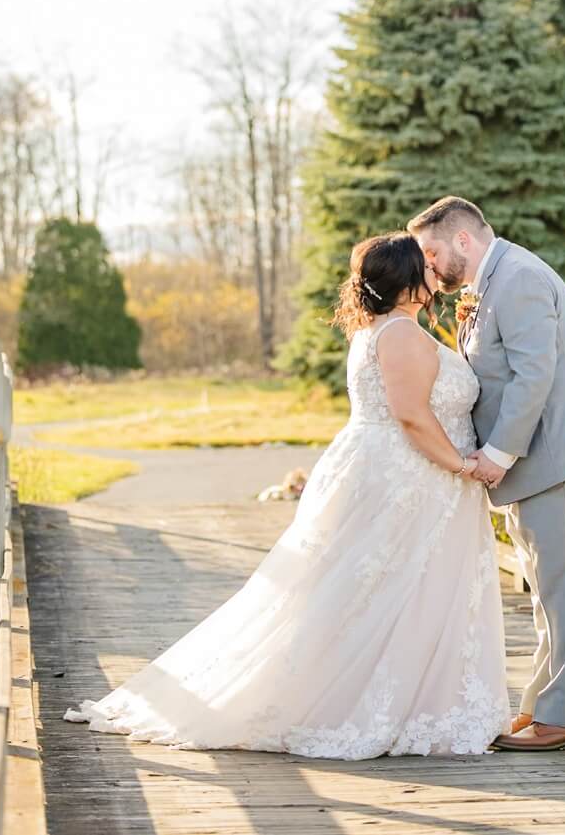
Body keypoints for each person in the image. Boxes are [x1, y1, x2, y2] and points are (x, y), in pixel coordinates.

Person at [63, 232, 508, 758]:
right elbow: (411, 415)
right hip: (412, 477)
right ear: (408, 280)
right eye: (426, 265)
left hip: (396, 473)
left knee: (375, 590)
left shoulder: (381, 331)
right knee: (389, 589)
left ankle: (400, 700)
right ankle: (377, 705)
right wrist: (464, 466)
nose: (436, 271)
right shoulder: (403, 337)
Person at [409, 196, 565, 752]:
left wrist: (497, 455)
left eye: (431, 252)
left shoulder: (521, 278)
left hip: (559, 456)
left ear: (462, 239)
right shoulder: (491, 284)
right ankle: (541, 704)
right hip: (538, 463)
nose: (429, 267)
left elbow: (535, 375)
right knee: (546, 592)